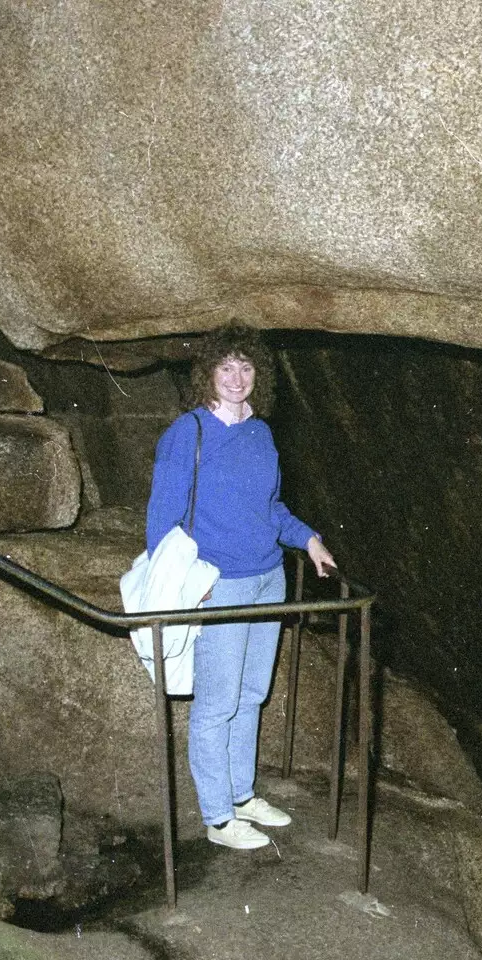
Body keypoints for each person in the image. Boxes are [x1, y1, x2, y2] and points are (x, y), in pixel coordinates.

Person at [146, 329, 336, 850]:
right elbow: (162, 520)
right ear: (208, 372)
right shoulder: (188, 433)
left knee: (252, 693)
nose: (236, 379)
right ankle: (217, 817)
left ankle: (241, 793)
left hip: (267, 577)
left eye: (246, 368)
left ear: (259, 376)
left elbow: (270, 508)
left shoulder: (261, 434)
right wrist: (188, 585)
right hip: (220, 585)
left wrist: (309, 539)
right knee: (217, 702)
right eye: (226, 368)